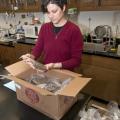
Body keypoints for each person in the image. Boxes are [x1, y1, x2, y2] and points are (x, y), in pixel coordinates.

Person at [21, 0, 83, 71]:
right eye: (48, 12)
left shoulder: (74, 30)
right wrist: (31, 56)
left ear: (63, 8)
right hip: (48, 71)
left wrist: (54, 65)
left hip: (66, 74)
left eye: (54, 11)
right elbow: (38, 48)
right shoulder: (44, 27)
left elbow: (76, 60)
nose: (50, 16)